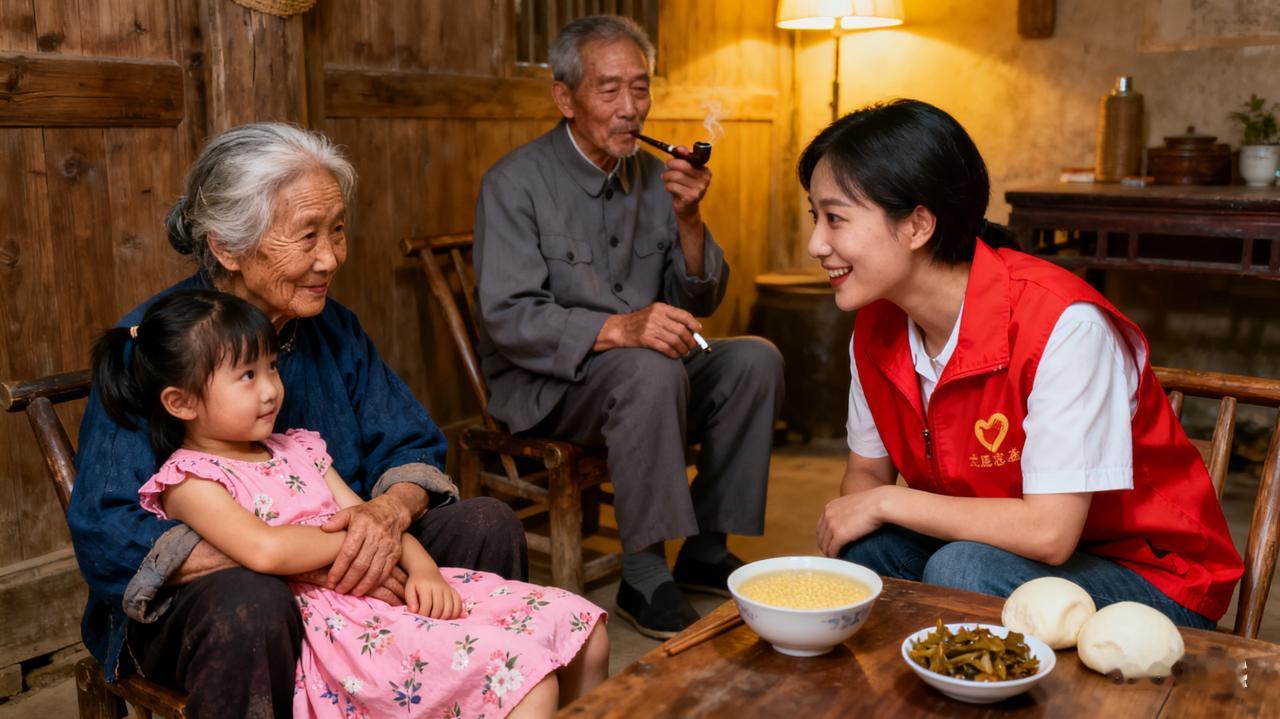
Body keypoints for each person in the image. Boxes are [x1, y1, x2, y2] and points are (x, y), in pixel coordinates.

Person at [68, 123, 528, 717]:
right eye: (306, 235)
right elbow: (108, 531)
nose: (331, 257)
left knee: (485, 524)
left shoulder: (331, 327)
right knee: (252, 604)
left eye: (336, 229)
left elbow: (409, 442)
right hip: (223, 593)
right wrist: (315, 559)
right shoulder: (157, 349)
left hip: (347, 560)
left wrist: (385, 519)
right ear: (226, 247)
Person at [803, 99, 1243, 628]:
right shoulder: (877, 326)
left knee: (961, 569)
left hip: (1151, 576)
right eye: (815, 218)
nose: (816, 243)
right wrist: (872, 509)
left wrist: (886, 505)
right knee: (865, 550)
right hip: (1001, 549)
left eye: (835, 219)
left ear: (918, 224)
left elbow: (1049, 534)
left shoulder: (1063, 324)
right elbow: (865, 477)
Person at [89, 288, 607, 718]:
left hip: (383, 595)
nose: (271, 390)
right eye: (247, 376)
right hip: (340, 629)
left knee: (585, 632)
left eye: (271, 367)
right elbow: (266, 551)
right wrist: (346, 548)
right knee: (524, 677)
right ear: (180, 402)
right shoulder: (190, 480)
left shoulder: (299, 448)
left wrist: (424, 568)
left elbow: (368, 516)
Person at [473, 14, 784, 639]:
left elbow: (703, 297)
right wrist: (622, 329)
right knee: (646, 366)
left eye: (639, 88)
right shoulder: (515, 184)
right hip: (552, 388)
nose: (629, 109)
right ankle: (644, 578)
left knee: (755, 358)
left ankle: (704, 550)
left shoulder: (651, 176)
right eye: (608, 90)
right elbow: (508, 317)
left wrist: (690, 218)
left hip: (648, 377)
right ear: (565, 98)